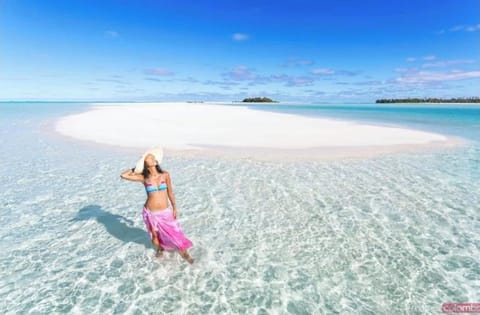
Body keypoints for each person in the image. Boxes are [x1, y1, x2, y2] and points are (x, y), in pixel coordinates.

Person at [120, 147, 194, 264]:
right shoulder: (144, 178)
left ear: (156, 162)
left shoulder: (165, 175)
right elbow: (124, 175)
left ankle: (185, 254)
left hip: (165, 211)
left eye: (153, 158)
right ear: (146, 163)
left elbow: (170, 192)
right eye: (149, 158)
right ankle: (160, 249)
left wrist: (174, 207)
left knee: (176, 234)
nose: (152, 159)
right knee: (155, 236)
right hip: (151, 212)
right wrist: (137, 168)